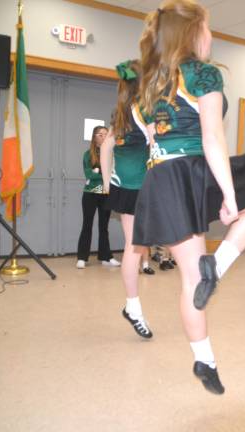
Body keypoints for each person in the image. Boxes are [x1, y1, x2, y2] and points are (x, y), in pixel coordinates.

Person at [135, 0, 245, 395]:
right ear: (193, 33)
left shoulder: (153, 77)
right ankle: (220, 262)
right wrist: (229, 195)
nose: (211, 36)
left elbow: (146, 129)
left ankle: (204, 359)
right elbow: (213, 137)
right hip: (192, 170)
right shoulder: (202, 74)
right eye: (208, 28)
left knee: (190, 280)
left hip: (160, 178)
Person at [100, 60, 154, 339]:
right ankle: (133, 307)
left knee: (136, 246)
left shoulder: (120, 111)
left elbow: (106, 146)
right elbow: (157, 147)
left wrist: (109, 182)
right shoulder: (143, 110)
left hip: (126, 187)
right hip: (137, 188)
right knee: (135, 248)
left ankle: (133, 306)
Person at [76, 126, 120, 269]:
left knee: (104, 227)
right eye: (100, 134)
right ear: (94, 137)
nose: (103, 137)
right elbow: (90, 175)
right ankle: (82, 257)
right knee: (87, 225)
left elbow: (114, 174)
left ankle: (106, 257)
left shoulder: (112, 154)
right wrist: (103, 174)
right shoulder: (88, 154)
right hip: (90, 194)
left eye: (106, 134)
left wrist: (99, 173)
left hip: (106, 194)